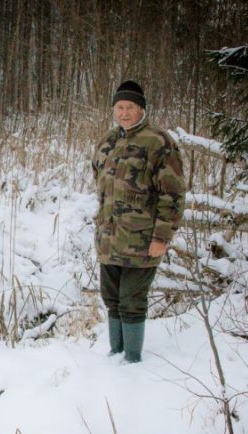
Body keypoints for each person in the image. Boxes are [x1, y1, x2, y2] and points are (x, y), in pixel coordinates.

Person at [92, 80, 187, 363]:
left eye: (130, 107)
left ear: (141, 109)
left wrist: (161, 237)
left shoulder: (158, 141)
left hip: (141, 240)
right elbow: (99, 182)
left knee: (131, 302)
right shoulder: (107, 140)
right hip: (109, 239)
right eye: (119, 107)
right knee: (111, 299)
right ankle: (115, 355)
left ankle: (132, 362)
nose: (124, 113)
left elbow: (173, 193)